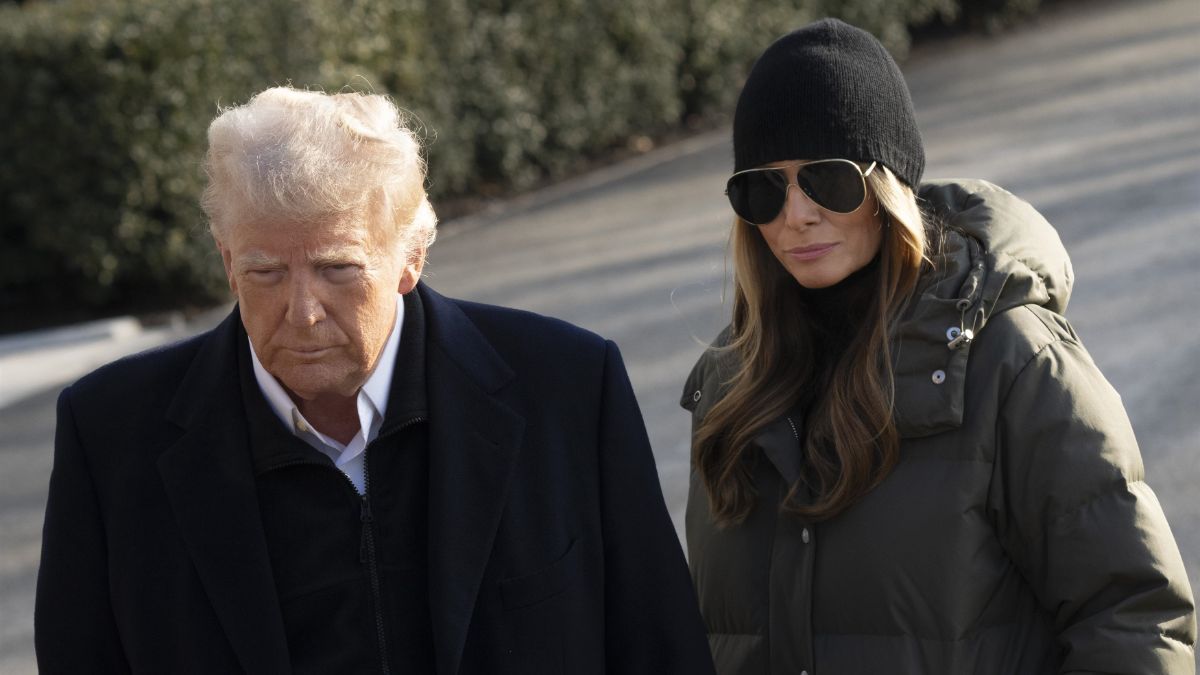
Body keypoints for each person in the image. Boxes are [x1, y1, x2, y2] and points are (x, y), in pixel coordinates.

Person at [36, 86, 716, 674]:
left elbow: (659, 648)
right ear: (225, 260)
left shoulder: (566, 390)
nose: (301, 312)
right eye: (265, 272)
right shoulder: (111, 438)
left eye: (338, 268)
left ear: (410, 257)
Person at [680, 18, 1196, 675]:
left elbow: (1133, 616)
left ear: (886, 186)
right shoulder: (730, 387)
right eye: (763, 188)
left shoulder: (1010, 359)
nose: (796, 213)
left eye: (826, 180)